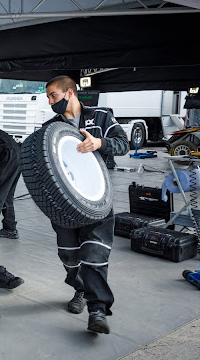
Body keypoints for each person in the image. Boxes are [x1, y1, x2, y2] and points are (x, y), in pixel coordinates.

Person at [43, 75, 128, 334]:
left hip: (97, 199)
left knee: (95, 255)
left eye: (53, 96)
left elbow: (125, 144)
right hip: (64, 205)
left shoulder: (101, 117)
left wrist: (100, 143)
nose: (49, 102)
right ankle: (80, 287)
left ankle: (97, 310)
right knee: (69, 257)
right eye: (47, 97)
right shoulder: (50, 128)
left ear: (69, 93)